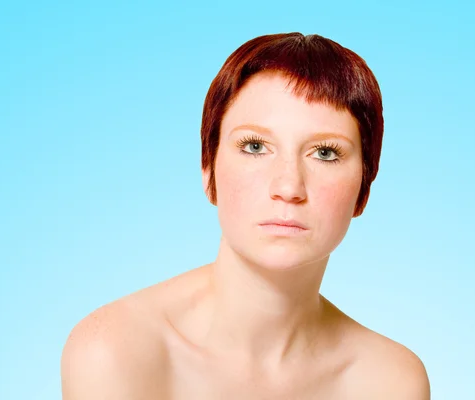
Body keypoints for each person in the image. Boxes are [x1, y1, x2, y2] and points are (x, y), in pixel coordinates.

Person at [61, 32, 431, 399]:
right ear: (208, 170)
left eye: (325, 153)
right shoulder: (116, 352)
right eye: (255, 146)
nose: (288, 186)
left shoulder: (389, 382)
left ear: (363, 187)